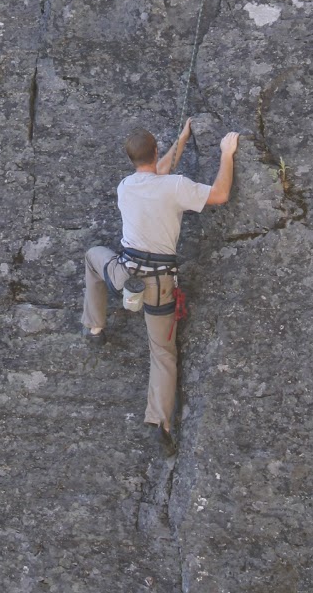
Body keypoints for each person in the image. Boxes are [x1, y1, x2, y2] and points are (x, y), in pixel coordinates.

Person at [81, 119, 239, 457]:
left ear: (131, 160)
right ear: (155, 152)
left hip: (124, 273)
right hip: (159, 285)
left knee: (93, 257)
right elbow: (221, 194)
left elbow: (156, 172)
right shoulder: (175, 186)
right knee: (163, 354)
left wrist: (181, 142)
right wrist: (227, 154)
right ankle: (160, 423)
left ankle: (95, 326)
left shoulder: (126, 186)